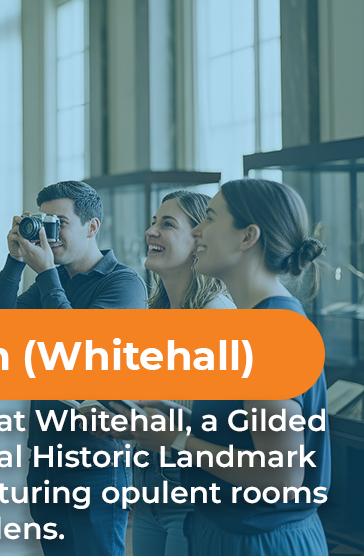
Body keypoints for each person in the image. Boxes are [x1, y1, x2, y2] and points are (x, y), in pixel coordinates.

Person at [127, 179, 330, 556]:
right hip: (226, 528)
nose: (199, 231)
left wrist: (174, 440)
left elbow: (281, 477)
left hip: (257, 538)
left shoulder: (268, 331)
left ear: (247, 237)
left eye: (210, 219)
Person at [0, 180, 147, 556]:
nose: (49, 234)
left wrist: (45, 274)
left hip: (97, 463)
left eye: (60, 222)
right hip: (45, 458)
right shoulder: (52, 283)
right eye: (43, 222)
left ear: (92, 227)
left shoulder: (123, 284)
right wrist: (14, 262)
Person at [133, 191, 234, 556]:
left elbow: (221, 425)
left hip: (191, 487)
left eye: (167, 224)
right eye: (153, 222)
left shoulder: (215, 316)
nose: (150, 232)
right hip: (148, 483)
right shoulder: (157, 313)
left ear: (198, 241)